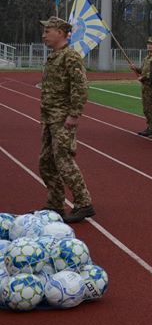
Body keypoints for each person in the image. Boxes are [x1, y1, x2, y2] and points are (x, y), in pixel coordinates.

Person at [37, 17, 95, 223]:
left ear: (61, 32)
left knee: (63, 162)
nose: (44, 35)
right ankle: (55, 203)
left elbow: (80, 86)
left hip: (62, 117)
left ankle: (84, 203)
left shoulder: (70, 57)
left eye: (48, 31)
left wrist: (74, 114)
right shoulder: (55, 56)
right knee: (45, 162)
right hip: (50, 117)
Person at [132, 37, 152, 136]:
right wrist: (136, 69)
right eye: (148, 44)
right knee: (146, 108)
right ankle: (150, 126)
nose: (149, 46)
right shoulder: (147, 58)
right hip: (145, 87)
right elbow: (142, 70)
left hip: (151, 86)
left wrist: (144, 77)